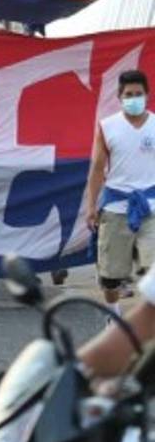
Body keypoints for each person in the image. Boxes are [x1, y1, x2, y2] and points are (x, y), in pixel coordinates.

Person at [85, 70, 155, 316]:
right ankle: (113, 316)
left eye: (138, 94)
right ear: (119, 96)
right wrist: (91, 207)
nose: (133, 98)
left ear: (147, 95)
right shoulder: (107, 127)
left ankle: (147, 328)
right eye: (128, 94)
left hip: (151, 208)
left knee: (153, 274)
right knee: (111, 279)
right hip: (116, 209)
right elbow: (96, 168)